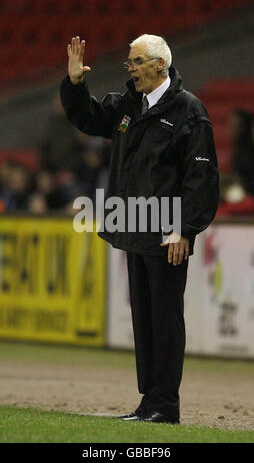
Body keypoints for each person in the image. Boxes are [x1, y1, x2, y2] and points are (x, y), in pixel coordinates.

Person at [60, 34, 220, 424]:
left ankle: (166, 405)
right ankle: (150, 402)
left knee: (165, 318)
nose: (129, 69)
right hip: (134, 225)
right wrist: (76, 85)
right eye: (129, 62)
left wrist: (185, 229)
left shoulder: (189, 111)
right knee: (145, 319)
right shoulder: (130, 105)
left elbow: (201, 178)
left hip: (167, 232)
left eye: (136, 62)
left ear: (159, 65)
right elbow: (89, 118)